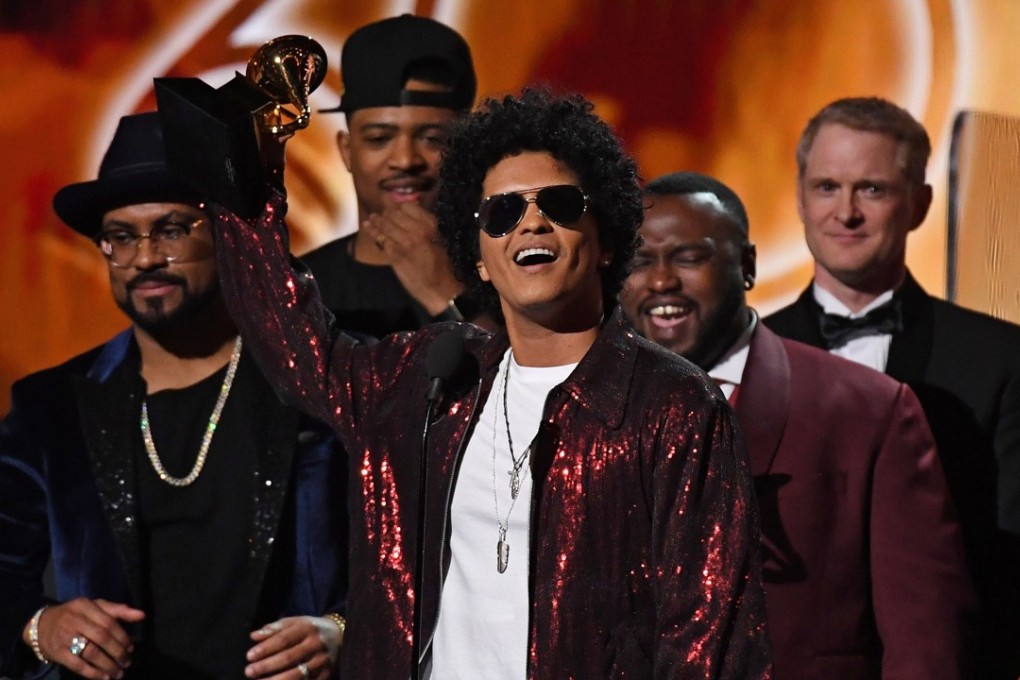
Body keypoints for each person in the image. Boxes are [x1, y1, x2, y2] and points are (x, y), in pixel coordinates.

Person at [211, 88, 772, 678]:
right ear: (477, 256)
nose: (531, 221)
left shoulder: (673, 405)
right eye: (502, 213)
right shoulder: (433, 379)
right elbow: (298, 350)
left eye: (557, 203)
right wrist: (244, 177)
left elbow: (708, 641)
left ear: (606, 240)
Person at [0, 112, 347, 680]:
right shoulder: (51, 408)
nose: (144, 258)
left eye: (171, 229)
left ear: (227, 235)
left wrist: (342, 630)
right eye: (121, 237)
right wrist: (42, 626)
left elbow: (415, 553)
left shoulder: (314, 385)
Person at [620, 170, 976, 679]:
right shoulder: (586, 409)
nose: (660, 282)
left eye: (689, 257)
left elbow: (926, 643)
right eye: (639, 262)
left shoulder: (870, 409)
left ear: (747, 266)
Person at [763, 97, 1020, 679]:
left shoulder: (1000, 359)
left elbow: (1009, 562)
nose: (845, 212)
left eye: (871, 190)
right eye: (827, 187)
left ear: (920, 204)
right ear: (801, 198)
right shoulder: (746, 359)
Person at [302, 13, 483, 336]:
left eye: (433, 138)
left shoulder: (509, 271)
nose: (405, 160)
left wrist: (449, 296)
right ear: (346, 150)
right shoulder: (300, 290)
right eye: (379, 138)